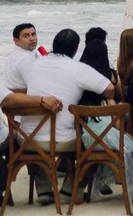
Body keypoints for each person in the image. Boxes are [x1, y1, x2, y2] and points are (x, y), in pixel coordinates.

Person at [21, 29, 114, 205]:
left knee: (35, 135)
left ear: (54, 44)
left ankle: (44, 189)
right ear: (76, 48)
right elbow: (109, 88)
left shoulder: (34, 64)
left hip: (28, 140)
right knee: (93, 144)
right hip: (62, 141)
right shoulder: (78, 69)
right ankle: (70, 189)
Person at [77, 39, 133, 199]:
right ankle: (131, 190)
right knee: (131, 145)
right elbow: (117, 124)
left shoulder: (79, 83)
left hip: (85, 139)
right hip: (107, 138)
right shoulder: (109, 81)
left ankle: (94, 183)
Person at [6, 22, 39, 91]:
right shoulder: (25, 58)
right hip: (21, 97)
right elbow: (36, 85)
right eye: (26, 36)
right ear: (16, 41)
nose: (32, 38)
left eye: (33, 34)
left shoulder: (13, 53)